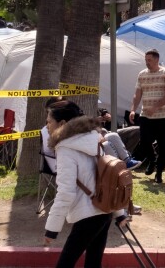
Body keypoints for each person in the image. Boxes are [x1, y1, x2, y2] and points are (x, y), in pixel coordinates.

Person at [43, 100, 127, 267]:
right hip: (104, 210)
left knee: (65, 264)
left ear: (62, 123)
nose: (46, 126)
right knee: (93, 263)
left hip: (87, 215)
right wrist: (119, 213)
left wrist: (51, 230)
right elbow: (107, 179)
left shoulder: (65, 149)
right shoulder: (93, 139)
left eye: (49, 121)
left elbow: (65, 192)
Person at [129, 49, 165, 184]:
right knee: (144, 141)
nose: (147, 62)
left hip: (163, 116)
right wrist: (133, 110)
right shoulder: (142, 74)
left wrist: (156, 106)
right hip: (146, 115)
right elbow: (137, 94)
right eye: (146, 60)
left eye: (149, 60)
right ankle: (151, 160)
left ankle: (159, 172)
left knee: (163, 145)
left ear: (156, 60)